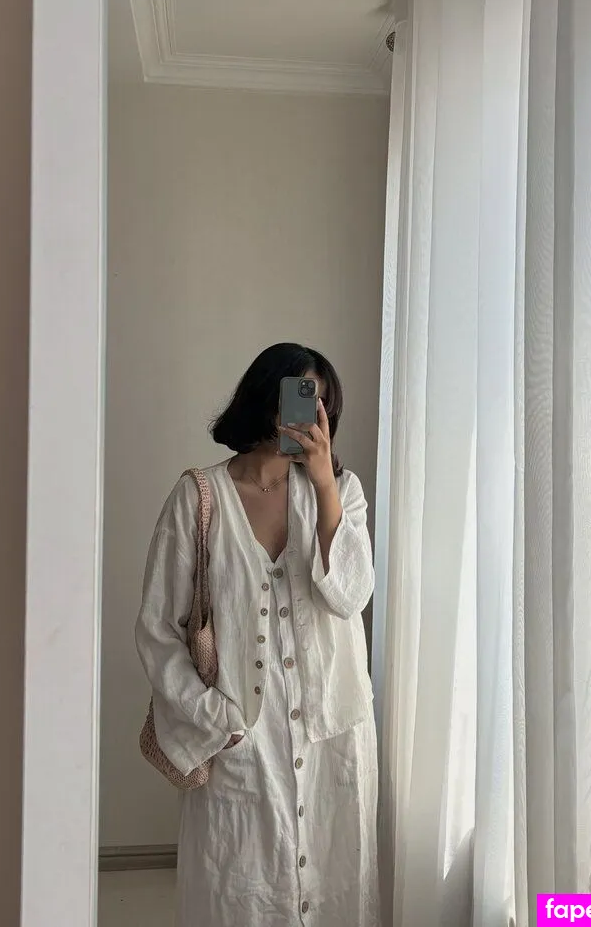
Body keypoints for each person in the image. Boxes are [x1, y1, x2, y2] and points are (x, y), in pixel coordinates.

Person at [135, 342, 379, 927]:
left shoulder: (342, 493)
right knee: (238, 894)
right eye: (299, 396)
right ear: (264, 398)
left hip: (331, 736)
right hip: (241, 738)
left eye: (320, 404)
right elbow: (158, 629)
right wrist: (216, 718)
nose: (309, 414)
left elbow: (350, 596)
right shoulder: (198, 498)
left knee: (336, 888)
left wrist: (324, 486)